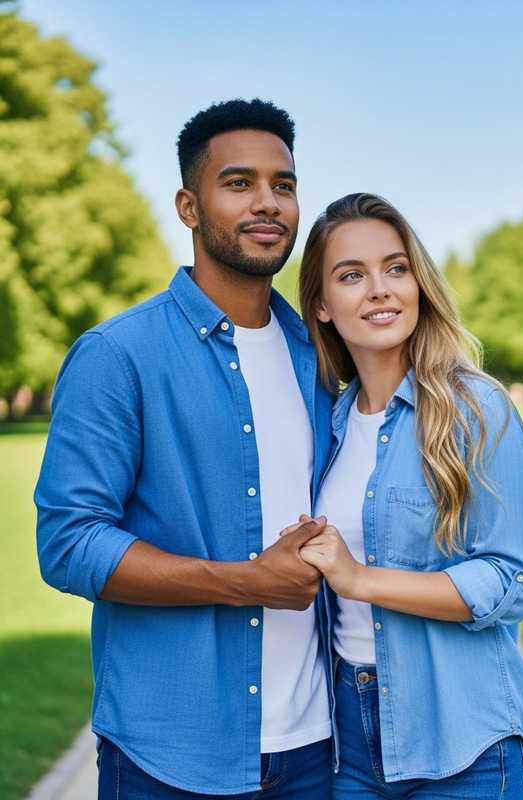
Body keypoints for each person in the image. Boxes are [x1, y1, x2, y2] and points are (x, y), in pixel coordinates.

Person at [34, 99, 334, 799]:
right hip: (168, 756)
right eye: (239, 183)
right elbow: (69, 545)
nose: (267, 202)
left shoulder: (321, 357)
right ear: (188, 207)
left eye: (283, 185)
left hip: (316, 750)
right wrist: (246, 581)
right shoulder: (118, 355)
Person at [292, 192, 523, 798]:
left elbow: (508, 581)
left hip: (464, 739)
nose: (380, 289)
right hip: (349, 744)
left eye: (396, 268)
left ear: (418, 283)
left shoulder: (477, 409)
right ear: (322, 304)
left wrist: (360, 579)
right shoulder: (326, 422)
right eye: (352, 275)